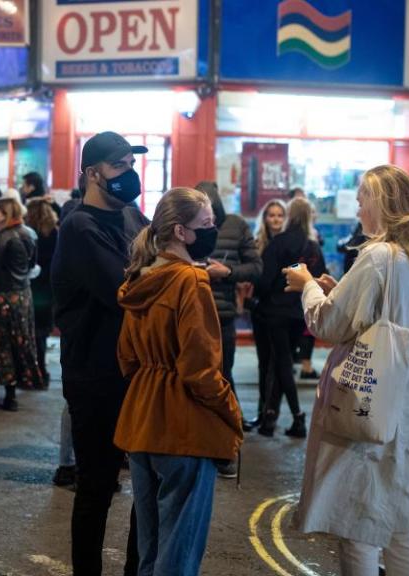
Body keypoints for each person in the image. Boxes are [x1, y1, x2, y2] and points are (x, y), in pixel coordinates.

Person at [286, 165, 409, 576]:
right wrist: (340, 288)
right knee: (399, 513)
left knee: (356, 513)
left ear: (385, 204)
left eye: (363, 200)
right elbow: (391, 315)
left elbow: (329, 324)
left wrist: (308, 286)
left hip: (371, 386)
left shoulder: (377, 256)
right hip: (408, 385)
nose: (358, 209)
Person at [116, 187, 243, 575]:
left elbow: (127, 356)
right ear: (180, 232)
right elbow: (200, 370)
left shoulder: (139, 279)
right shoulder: (191, 281)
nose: (213, 230)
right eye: (205, 224)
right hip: (184, 427)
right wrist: (231, 410)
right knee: (179, 555)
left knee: (150, 550)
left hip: (140, 421)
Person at [52, 131, 147, 576]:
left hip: (137, 371)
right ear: (92, 173)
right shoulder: (78, 226)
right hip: (94, 374)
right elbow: (125, 290)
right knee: (97, 485)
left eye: (131, 164)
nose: (129, 174)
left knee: (147, 483)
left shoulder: (131, 216)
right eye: (119, 166)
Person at [197, 181, 261, 475]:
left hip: (221, 315)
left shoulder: (235, 226)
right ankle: (204, 443)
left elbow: (256, 268)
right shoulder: (185, 222)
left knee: (222, 378)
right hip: (192, 312)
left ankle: (226, 448)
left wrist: (229, 272)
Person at [255, 198, 324, 438]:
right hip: (299, 312)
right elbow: (320, 279)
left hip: (275, 311)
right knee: (282, 364)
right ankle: (269, 418)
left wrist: (259, 298)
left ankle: (297, 417)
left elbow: (263, 281)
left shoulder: (278, 244)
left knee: (281, 364)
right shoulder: (313, 248)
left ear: (289, 216)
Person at [0, 197, 42, 410]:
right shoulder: (30, 233)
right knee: (18, 343)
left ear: (6, 213)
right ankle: (11, 396)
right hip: (22, 296)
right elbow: (32, 263)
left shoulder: (3, 235)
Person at [244, 198, 286, 431]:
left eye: (280, 215)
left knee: (278, 364)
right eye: (272, 215)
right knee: (264, 362)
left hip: (280, 312)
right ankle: (262, 410)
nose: (276, 219)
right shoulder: (258, 242)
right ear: (265, 218)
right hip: (260, 310)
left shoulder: (288, 244)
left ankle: (271, 412)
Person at [26, 197, 59, 384]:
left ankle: (33, 371)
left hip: (31, 284)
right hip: (47, 286)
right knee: (42, 331)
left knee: (31, 329)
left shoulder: (28, 233)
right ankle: (42, 371)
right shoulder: (54, 232)